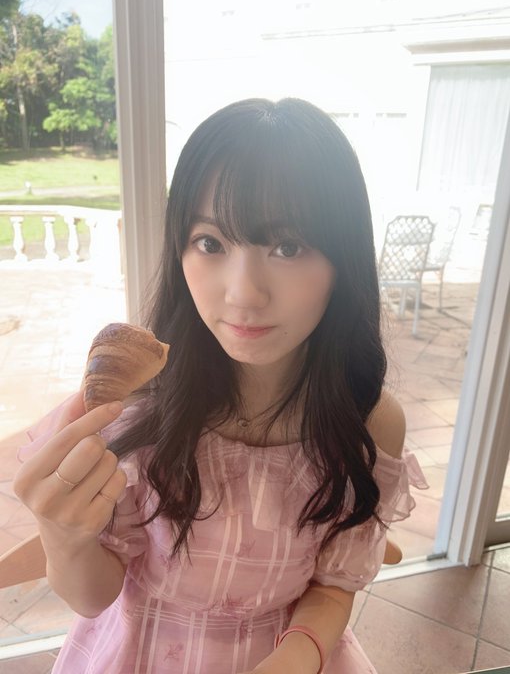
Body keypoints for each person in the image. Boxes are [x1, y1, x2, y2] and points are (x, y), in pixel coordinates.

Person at [14, 97, 427, 673]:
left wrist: (297, 658)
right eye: (210, 242)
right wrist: (62, 535)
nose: (242, 293)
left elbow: (333, 584)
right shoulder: (135, 408)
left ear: (344, 261)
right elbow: (93, 596)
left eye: (288, 246)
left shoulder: (368, 421)